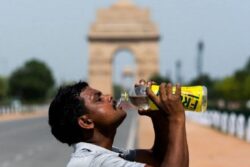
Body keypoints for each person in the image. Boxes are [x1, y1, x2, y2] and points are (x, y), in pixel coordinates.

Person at [48, 80, 189, 167]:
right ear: (86, 122)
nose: (109, 96)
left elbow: (157, 159)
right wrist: (176, 119)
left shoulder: (105, 154)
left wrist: (157, 116)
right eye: (99, 99)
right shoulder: (97, 161)